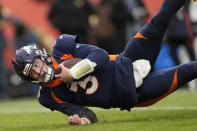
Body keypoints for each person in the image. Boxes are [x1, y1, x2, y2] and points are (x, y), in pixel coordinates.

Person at [12, 0, 195, 125]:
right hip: (133, 92)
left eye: (36, 65)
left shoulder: (61, 47)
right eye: (32, 73)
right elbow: (87, 114)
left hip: (128, 60)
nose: (38, 71)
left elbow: (100, 55)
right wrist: (81, 120)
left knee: (158, 21)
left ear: (41, 57)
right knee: (189, 69)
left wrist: (74, 73)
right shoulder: (48, 97)